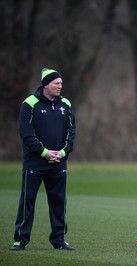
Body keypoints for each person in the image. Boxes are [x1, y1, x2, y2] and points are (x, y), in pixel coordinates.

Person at [11, 68, 76, 251]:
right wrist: (45, 152)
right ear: (46, 84)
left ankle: (58, 240)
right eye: (56, 83)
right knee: (27, 203)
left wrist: (62, 153)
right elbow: (26, 135)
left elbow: (71, 133)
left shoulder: (66, 104)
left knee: (58, 203)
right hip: (35, 163)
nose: (60, 86)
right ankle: (20, 240)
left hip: (59, 163)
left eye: (61, 83)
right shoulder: (29, 104)